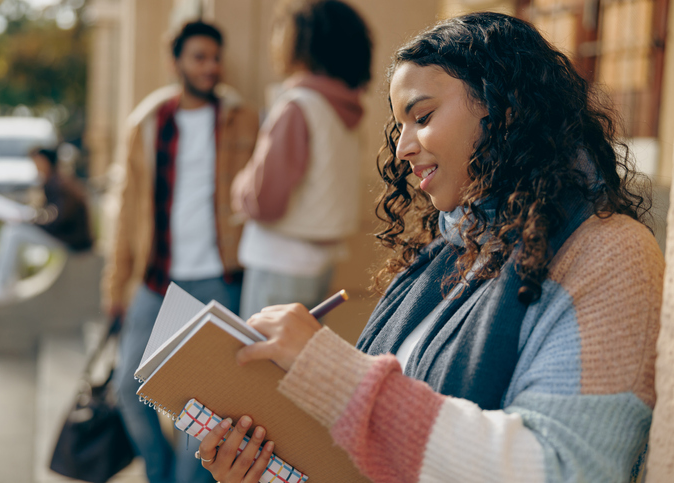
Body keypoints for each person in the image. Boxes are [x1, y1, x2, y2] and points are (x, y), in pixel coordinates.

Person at [196, 12, 664, 483]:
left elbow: (563, 469)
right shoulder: (446, 252)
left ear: (505, 108)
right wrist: (265, 470)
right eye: (400, 126)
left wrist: (330, 371)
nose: (402, 149)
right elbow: (367, 460)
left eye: (422, 117)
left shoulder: (614, 255)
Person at [102, 21, 258, 483]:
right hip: (156, 277)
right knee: (129, 383)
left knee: (203, 409)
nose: (211, 67)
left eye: (216, 57)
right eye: (199, 57)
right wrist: (115, 285)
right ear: (177, 63)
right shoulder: (148, 125)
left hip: (217, 278)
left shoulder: (241, 119)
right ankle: (159, 470)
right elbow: (127, 211)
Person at [231, 0, 372, 319]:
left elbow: (264, 201)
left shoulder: (296, 105)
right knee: (296, 360)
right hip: (321, 260)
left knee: (263, 365)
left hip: (279, 261)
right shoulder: (345, 108)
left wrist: (239, 186)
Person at [0, 147, 92, 305]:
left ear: (47, 162)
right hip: (67, 236)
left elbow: (57, 218)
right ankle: (6, 283)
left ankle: (0, 285)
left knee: (13, 232)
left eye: (37, 162)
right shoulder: (54, 180)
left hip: (72, 241)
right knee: (15, 230)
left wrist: (31, 219)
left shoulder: (58, 183)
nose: (35, 166)